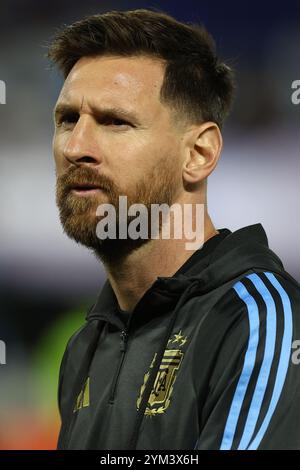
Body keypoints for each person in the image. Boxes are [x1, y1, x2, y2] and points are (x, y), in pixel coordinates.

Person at [47, 8, 300, 450]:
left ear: (199, 153)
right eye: (68, 120)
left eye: (114, 122)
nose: (75, 147)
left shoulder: (259, 321)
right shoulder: (86, 345)